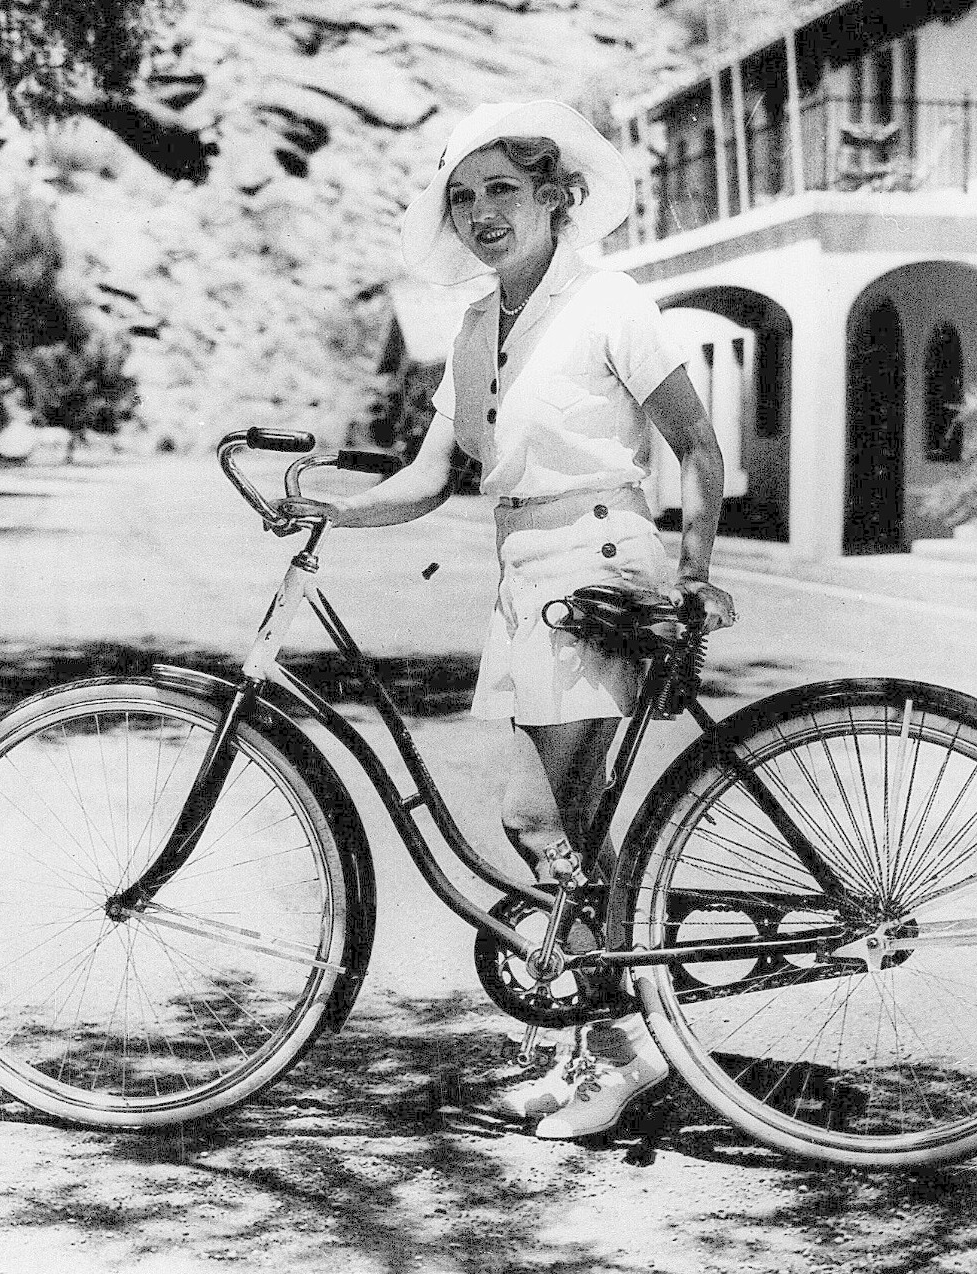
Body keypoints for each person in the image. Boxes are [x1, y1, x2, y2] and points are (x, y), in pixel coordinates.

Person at [315, 100, 735, 1138]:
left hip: (597, 565)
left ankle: (625, 1049)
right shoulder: (474, 329)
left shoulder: (608, 302)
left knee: (536, 821)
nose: (481, 213)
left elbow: (696, 444)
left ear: (556, 196)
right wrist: (328, 511)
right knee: (570, 829)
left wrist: (691, 573)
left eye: (503, 188)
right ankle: (589, 1044)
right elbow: (429, 476)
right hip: (522, 574)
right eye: (463, 197)